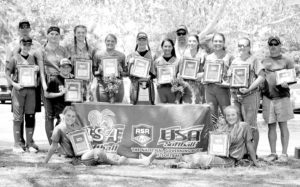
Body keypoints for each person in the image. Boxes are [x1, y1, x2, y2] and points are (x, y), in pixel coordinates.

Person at [240, 36, 294, 163]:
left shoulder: (287, 60)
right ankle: (273, 153)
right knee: (271, 126)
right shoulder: (263, 61)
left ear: (280, 45)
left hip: (282, 97)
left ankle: (284, 154)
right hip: (267, 98)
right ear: (268, 46)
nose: (273, 46)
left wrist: (288, 83)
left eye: (276, 44)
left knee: (283, 126)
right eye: (271, 44)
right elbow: (258, 78)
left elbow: (292, 77)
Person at [44, 106, 156, 166]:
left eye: (73, 116)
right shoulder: (58, 129)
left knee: (113, 154)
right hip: (78, 158)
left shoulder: (76, 126)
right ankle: (115, 164)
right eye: (68, 115)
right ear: (63, 115)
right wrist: (45, 162)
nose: (71, 118)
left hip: (86, 153)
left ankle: (144, 161)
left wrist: (89, 138)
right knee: (100, 152)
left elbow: (86, 141)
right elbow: (53, 147)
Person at [168, 105, 259, 169]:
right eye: (228, 115)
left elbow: (249, 144)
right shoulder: (224, 127)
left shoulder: (244, 126)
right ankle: (180, 162)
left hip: (229, 160)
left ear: (237, 115)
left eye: (233, 115)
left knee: (200, 160)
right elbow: (214, 146)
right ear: (225, 117)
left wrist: (255, 162)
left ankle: (184, 166)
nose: (231, 117)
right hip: (216, 155)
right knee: (192, 156)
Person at [5, 19, 43, 150]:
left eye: (27, 27)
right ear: (19, 29)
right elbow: (7, 71)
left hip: (32, 88)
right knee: (18, 116)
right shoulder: (13, 49)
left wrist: (38, 70)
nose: (27, 46)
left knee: (30, 114)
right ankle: (18, 143)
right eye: (22, 27)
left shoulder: (36, 47)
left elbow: (40, 65)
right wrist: (12, 85)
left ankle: (29, 142)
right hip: (18, 88)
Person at [228, 37, 261, 153]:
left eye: (245, 45)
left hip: (250, 95)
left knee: (250, 125)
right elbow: (230, 78)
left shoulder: (254, 60)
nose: (242, 47)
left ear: (249, 47)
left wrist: (248, 89)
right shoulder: (235, 61)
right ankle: (241, 154)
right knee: (237, 125)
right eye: (240, 45)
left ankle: (252, 155)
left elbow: (262, 77)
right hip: (236, 96)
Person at [41, 26, 69, 144]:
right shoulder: (42, 50)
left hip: (61, 82)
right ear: (47, 35)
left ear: (59, 36)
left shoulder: (63, 50)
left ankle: (59, 141)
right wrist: (43, 85)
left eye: (56, 34)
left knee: (61, 113)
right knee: (49, 114)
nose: (54, 36)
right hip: (48, 81)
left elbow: (67, 66)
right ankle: (51, 142)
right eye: (51, 34)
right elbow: (41, 70)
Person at [204, 33, 233, 120]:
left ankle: (230, 133)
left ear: (224, 43)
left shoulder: (229, 56)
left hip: (223, 90)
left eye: (220, 41)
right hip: (209, 90)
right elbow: (205, 73)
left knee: (227, 115)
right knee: (212, 117)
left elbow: (234, 73)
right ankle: (214, 133)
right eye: (215, 41)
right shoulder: (208, 57)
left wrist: (228, 78)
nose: (218, 43)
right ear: (212, 42)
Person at [64, 25, 95, 101]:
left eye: (83, 32)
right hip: (73, 81)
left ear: (85, 33)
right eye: (78, 32)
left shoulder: (91, 49)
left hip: (87, 83)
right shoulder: (68, 47)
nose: (81, 34)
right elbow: (65, 65)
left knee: (86, 104)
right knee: (73, 104)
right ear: (75, 34)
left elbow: (94, 66)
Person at [92, 34, 126, 102]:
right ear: (105, 42)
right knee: (103, 108)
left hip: (118, 86)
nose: (110, 43)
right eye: (108, 41)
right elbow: (94, 73)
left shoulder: (121, 55)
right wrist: (99, 71)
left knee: (118, 107)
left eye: (112, 41)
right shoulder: (98, 55)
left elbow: (126, 73)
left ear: (116, 42)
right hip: (103, 85)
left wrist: (121, 71)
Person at [44, 58, 73, 130]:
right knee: (62, 126)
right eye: (63, 67)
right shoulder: (54, 80)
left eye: (68, 67)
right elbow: (46, 94)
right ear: (59, 68)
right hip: (60, 109)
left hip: (72, 108)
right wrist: (60, 94)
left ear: (71, 68)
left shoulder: (74, 80)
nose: (66, 69)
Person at [127, 32, 155, 104]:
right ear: (136, 41)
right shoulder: (131, 55)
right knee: (134, 109)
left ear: (147, 41)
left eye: (144, 39)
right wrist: (130, 64)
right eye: (140, 39)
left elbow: (154, 74)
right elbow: (128, 74)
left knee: (148, 109)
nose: (142, 41)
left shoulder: (152, 55)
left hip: (147, 86)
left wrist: (149, 76)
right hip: (135, 86)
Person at [179, 34, 206, 104]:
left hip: (199, 87)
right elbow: (180, 72)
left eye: (194, 41)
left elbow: (207, 71)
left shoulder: (202, 55)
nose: (191, 43)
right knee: (187, 109)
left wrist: (202, 74)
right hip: (186, 87)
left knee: (198, 109)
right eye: (190, 41)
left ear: (198, 43)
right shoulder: (184, 56)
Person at [154, 38, 180, 104]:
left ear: (172, 47)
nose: (167, 48)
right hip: (160, 90)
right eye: (165, 46)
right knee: (160, 111)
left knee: (173, 112)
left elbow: (180, 76)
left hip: (173, 90)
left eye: (169, 46)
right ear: (162, 47)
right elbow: (153, 76)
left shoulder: (177, 61)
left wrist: (177, 79)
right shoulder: (157, 61)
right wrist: (155, 81)